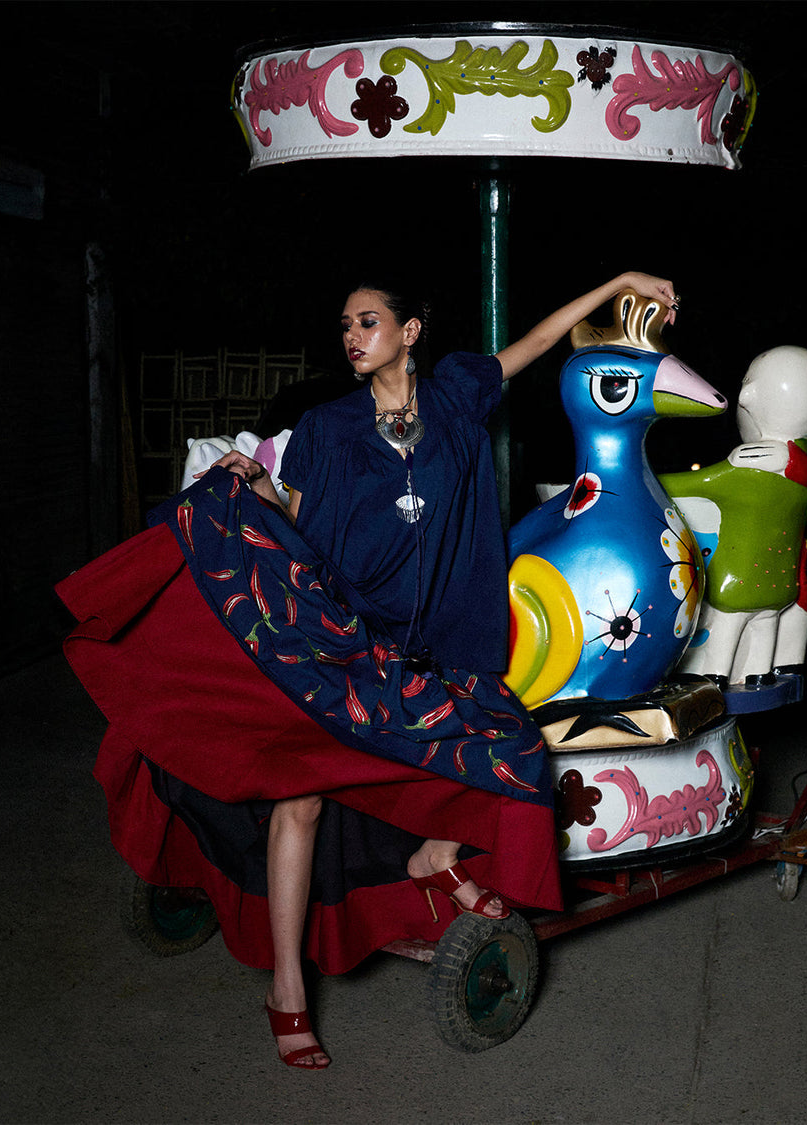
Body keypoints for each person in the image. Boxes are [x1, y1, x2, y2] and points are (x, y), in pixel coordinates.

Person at [56, 270, 678, 1073]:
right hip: (346, 642)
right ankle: (287, 987)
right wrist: (254, 485)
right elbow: (297, 523)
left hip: (443, 645)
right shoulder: (326, 426)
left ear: (410, 331)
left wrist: (620, 281)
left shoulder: (457, 395)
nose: (352, 336)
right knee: (301, 797)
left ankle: (433, 856)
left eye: (369, 321)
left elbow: (536, 340)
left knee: (514, 748)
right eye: (346, 324)